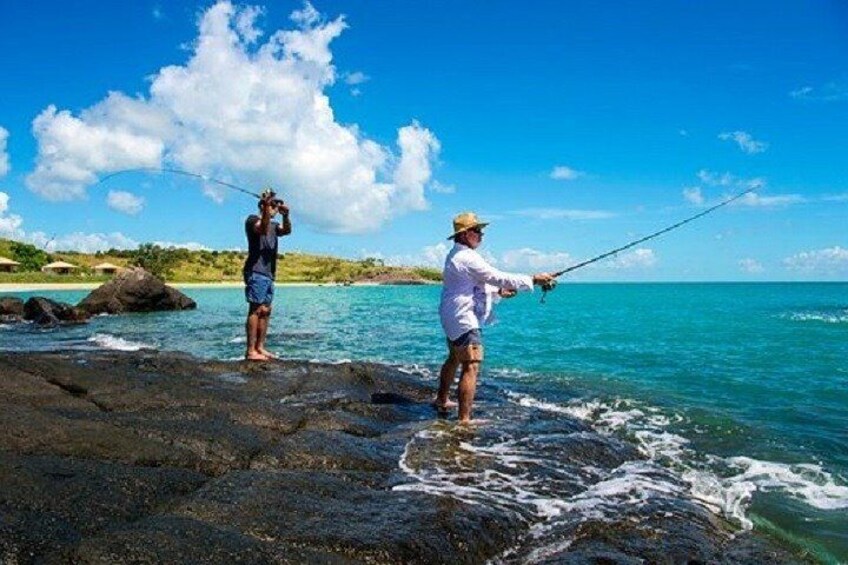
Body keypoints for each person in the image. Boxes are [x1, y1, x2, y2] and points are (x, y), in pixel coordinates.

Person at [436, 212, 553, 423]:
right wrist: (533, 279)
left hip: (450, 314)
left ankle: (442, 400)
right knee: (471, 365)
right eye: (477, 231)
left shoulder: (456, 254)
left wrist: (498, 292)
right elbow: (496, 276)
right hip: (463, 318)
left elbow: (472, 286)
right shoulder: (467, 257)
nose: (481, 235)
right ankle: (464, 421)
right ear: (464, 234)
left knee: (454, 358)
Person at [243, 189, 292, 361]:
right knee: (255, 309)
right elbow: (262, 229)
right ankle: (250, 351)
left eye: (277, 206)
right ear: (263, 206)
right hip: (255, 271)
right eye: (273, 205)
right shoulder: (252, 220)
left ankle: (260, 347)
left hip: (269, 273)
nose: (275, 208)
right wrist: (265, 207)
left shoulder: (274, 226)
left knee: (266, 310)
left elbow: (287, 231)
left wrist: (286, 216)